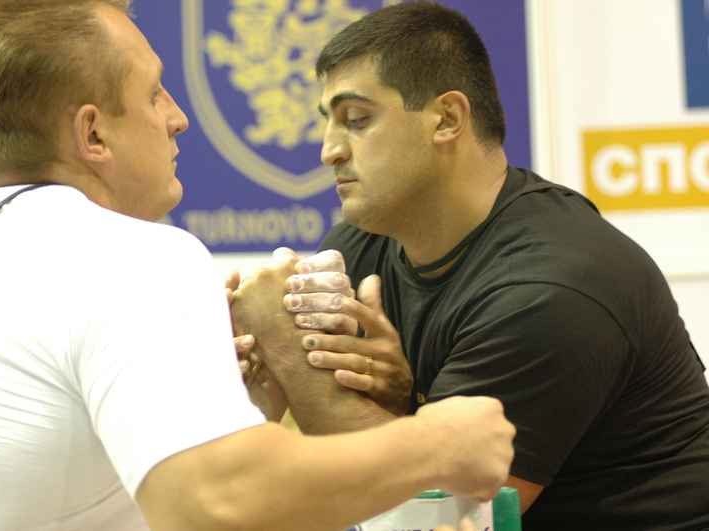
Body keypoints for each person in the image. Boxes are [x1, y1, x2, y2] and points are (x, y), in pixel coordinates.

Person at [0, 1, 516, 530]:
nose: (178, 116)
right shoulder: (129, 255)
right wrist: (441, 440)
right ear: (93, 136)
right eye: (152, 93)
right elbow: (211, 506)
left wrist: (236, 404)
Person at [235, 2, 709, 530]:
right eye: (328, 124)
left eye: (357, 120)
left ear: (447, 119)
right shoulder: (361, 244)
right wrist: (395, 403)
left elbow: (433, 517)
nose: (328, 151)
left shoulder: (550, 287)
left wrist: (287, 347)